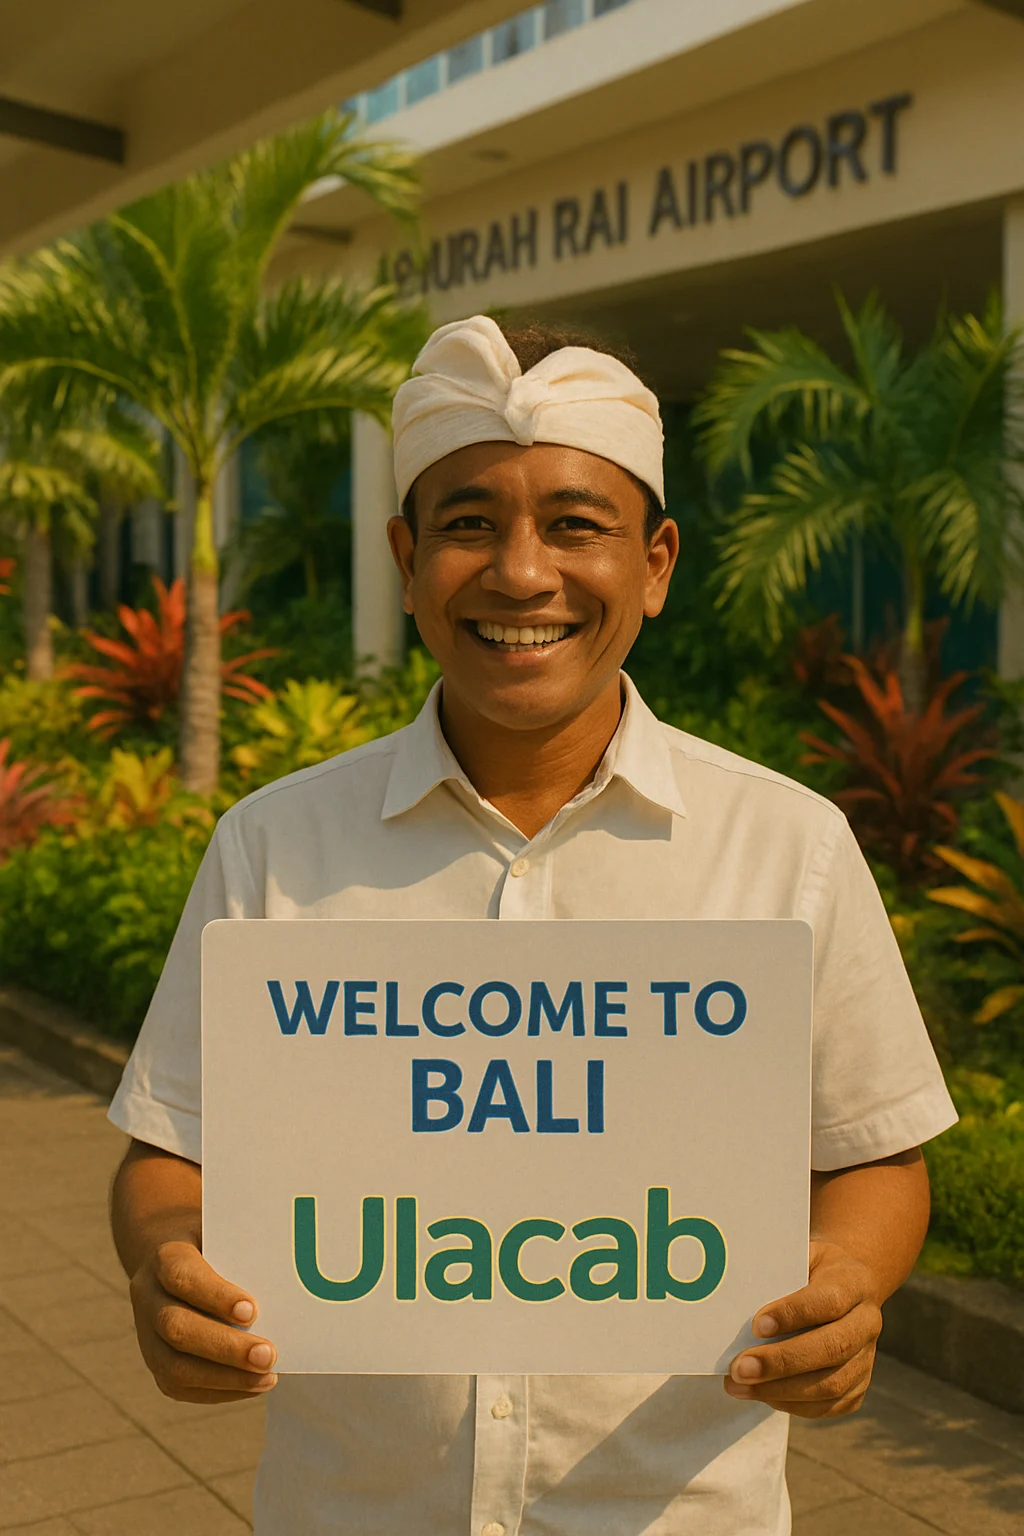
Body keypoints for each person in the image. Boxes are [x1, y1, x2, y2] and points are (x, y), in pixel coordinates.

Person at [108, 313, 956, 1536]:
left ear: (656, 563)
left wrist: (847, 1281)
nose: (519, 572)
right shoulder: (272, 845)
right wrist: (165, 1265)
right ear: (405, 560)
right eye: (466, 523)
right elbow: (171, 1149)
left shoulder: (789, 846)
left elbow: (870, 1150)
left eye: (574, 523)